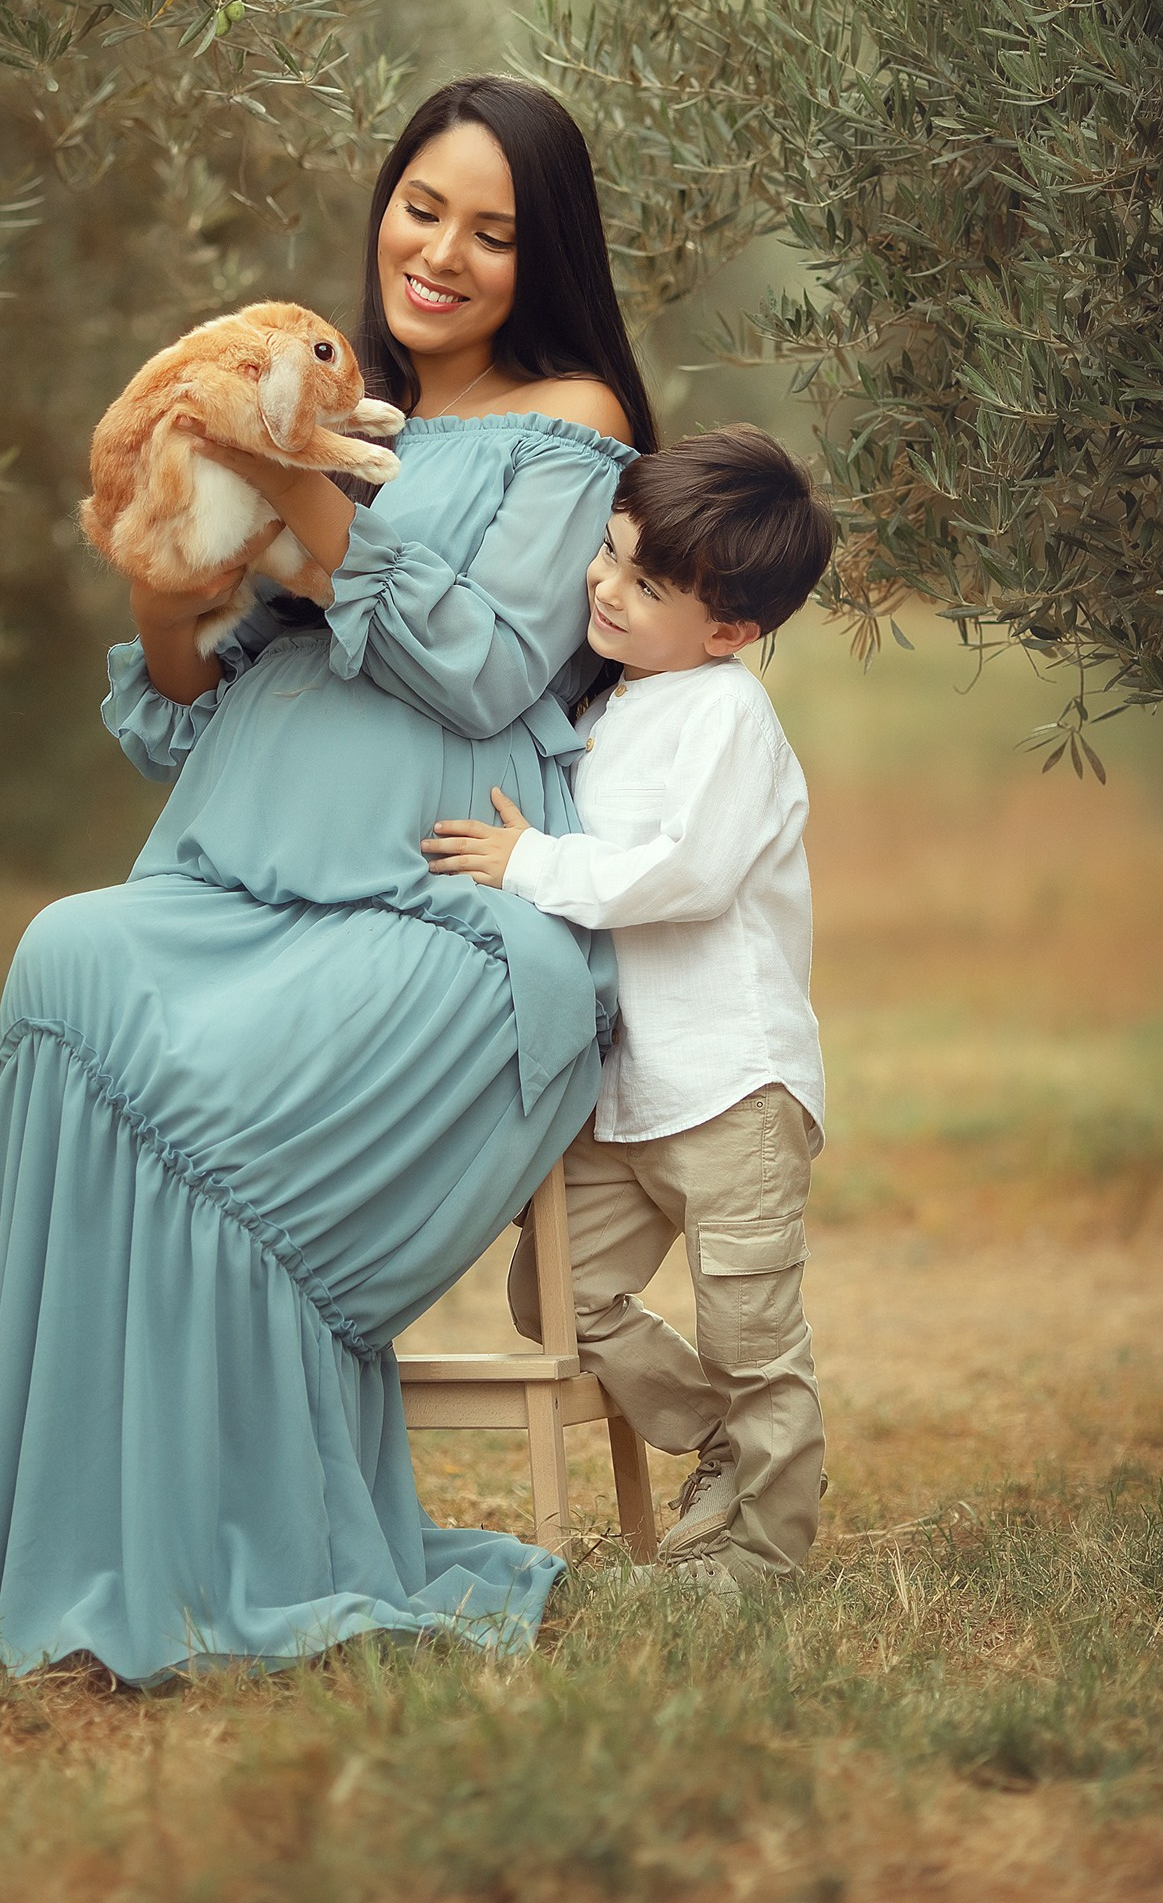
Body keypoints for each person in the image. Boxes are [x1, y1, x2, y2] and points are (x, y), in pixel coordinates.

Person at [0, 77, 656, 1689]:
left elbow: (479, 668)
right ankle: (82, 1525)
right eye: (420, 206)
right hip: (238, 877)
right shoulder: (330, 395)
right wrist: (173, 566)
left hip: (442, 906)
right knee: (68, 957)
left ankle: (235, 1539)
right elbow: (187, 698)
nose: (440, 253)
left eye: (493, 231)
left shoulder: (570, 423)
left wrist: (307, 492)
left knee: (211, 1074)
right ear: (381, 203)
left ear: (547, 256)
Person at [422, 427, 834, 1597]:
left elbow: (684, 874)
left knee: (752, 1329)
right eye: (608, 554)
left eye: (643, 583)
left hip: (729, 1085)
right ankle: (716, 1437)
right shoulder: (617, 697)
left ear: (730, 630)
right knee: (553, 1291)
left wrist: (527, 863)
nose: (603, 585)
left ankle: (763, 1554)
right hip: (625, 1092)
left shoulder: (724, 713)